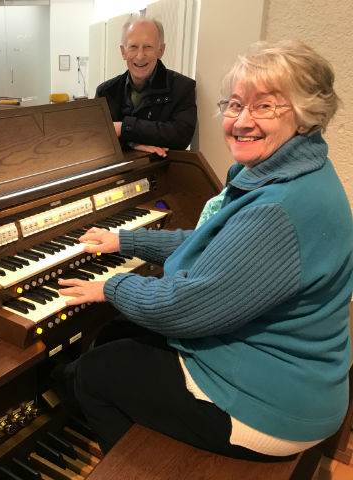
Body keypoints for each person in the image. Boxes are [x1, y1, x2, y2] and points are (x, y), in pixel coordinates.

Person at [56, 40, 353, 460]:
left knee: (94, 372)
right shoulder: (293, 173)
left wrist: (113, 287)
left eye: (265, 106)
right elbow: (215, 246)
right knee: (116, 335)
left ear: (307, 117)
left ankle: (141, 466)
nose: (242, 121)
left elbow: (186, 307)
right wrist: (126, 240)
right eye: (234, 105)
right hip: (293, 373)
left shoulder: (279, 206)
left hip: (273, 405)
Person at [95, 15, 197, 158]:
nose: (140, 55)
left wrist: (123, 128)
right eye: (133, 47)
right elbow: (98, 139)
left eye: (148, 47)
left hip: (163, 175)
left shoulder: (182, 88)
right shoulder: (105, 92)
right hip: (118, 175)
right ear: (123, 52)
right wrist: (131, 143)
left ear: (160, 50)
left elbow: (180, 136)